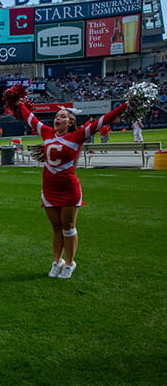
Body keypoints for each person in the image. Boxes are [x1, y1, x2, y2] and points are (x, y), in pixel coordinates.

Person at [9, 93, 127, 279]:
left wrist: (125, 105)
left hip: (69, 189)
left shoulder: (78, 136)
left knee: (68, 226)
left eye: (63, 116)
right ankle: (57, 261)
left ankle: (70, 263)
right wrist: (19, 104)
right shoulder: (47, 132)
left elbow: (102, 120)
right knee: (56, 227)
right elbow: (31, 119)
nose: (58, 118)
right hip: (49, 189)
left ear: (70, 122)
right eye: (57, 116)